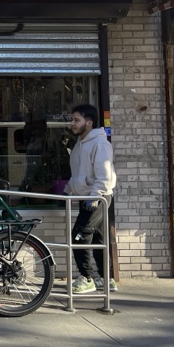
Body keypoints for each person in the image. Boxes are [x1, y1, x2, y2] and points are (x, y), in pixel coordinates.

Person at [65, 104, 117, 294]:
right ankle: (105, 278)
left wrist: (95, 196)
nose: (72, 123)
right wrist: (68, 190)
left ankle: (87, 278)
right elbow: (79, 173)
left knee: (79, 236)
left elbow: (105, 175)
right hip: (88, 197)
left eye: (76, 120)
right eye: (72, 119)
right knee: (98, 237)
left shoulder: (100, 144)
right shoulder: (81, 143)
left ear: (89, 122)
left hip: (96, 198)